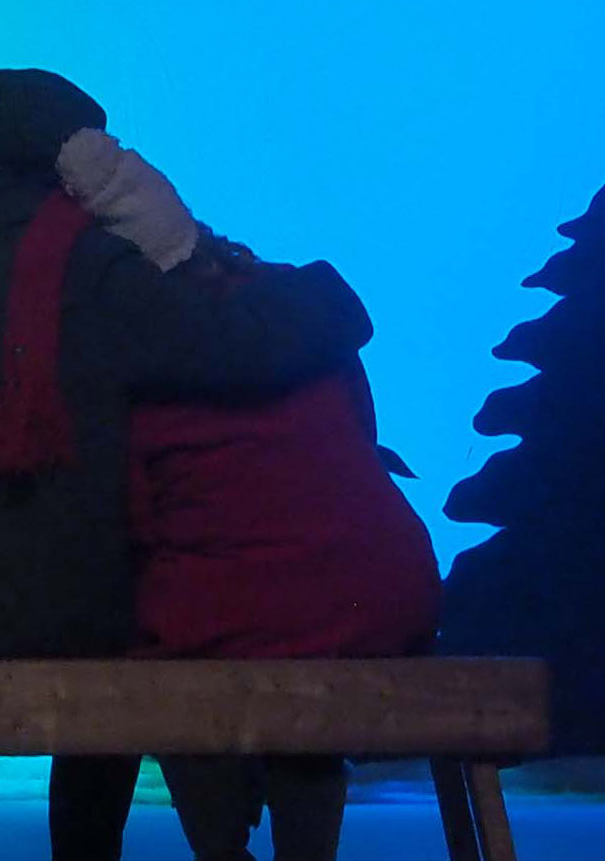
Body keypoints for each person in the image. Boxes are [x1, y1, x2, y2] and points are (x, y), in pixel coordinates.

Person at [0, 69, 370, 861]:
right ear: (76, 155)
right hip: (60, 609)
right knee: (114, 623)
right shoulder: (92, 268)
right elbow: (235, 347)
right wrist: (326, 298)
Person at [56, 128, 442, 861]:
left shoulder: (143, 350)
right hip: (384, 593)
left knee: (175, 648)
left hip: (244, 613)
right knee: (297, 641)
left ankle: (220, 849)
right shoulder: (298, 310)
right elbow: (360, 438)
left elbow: (130, 517)